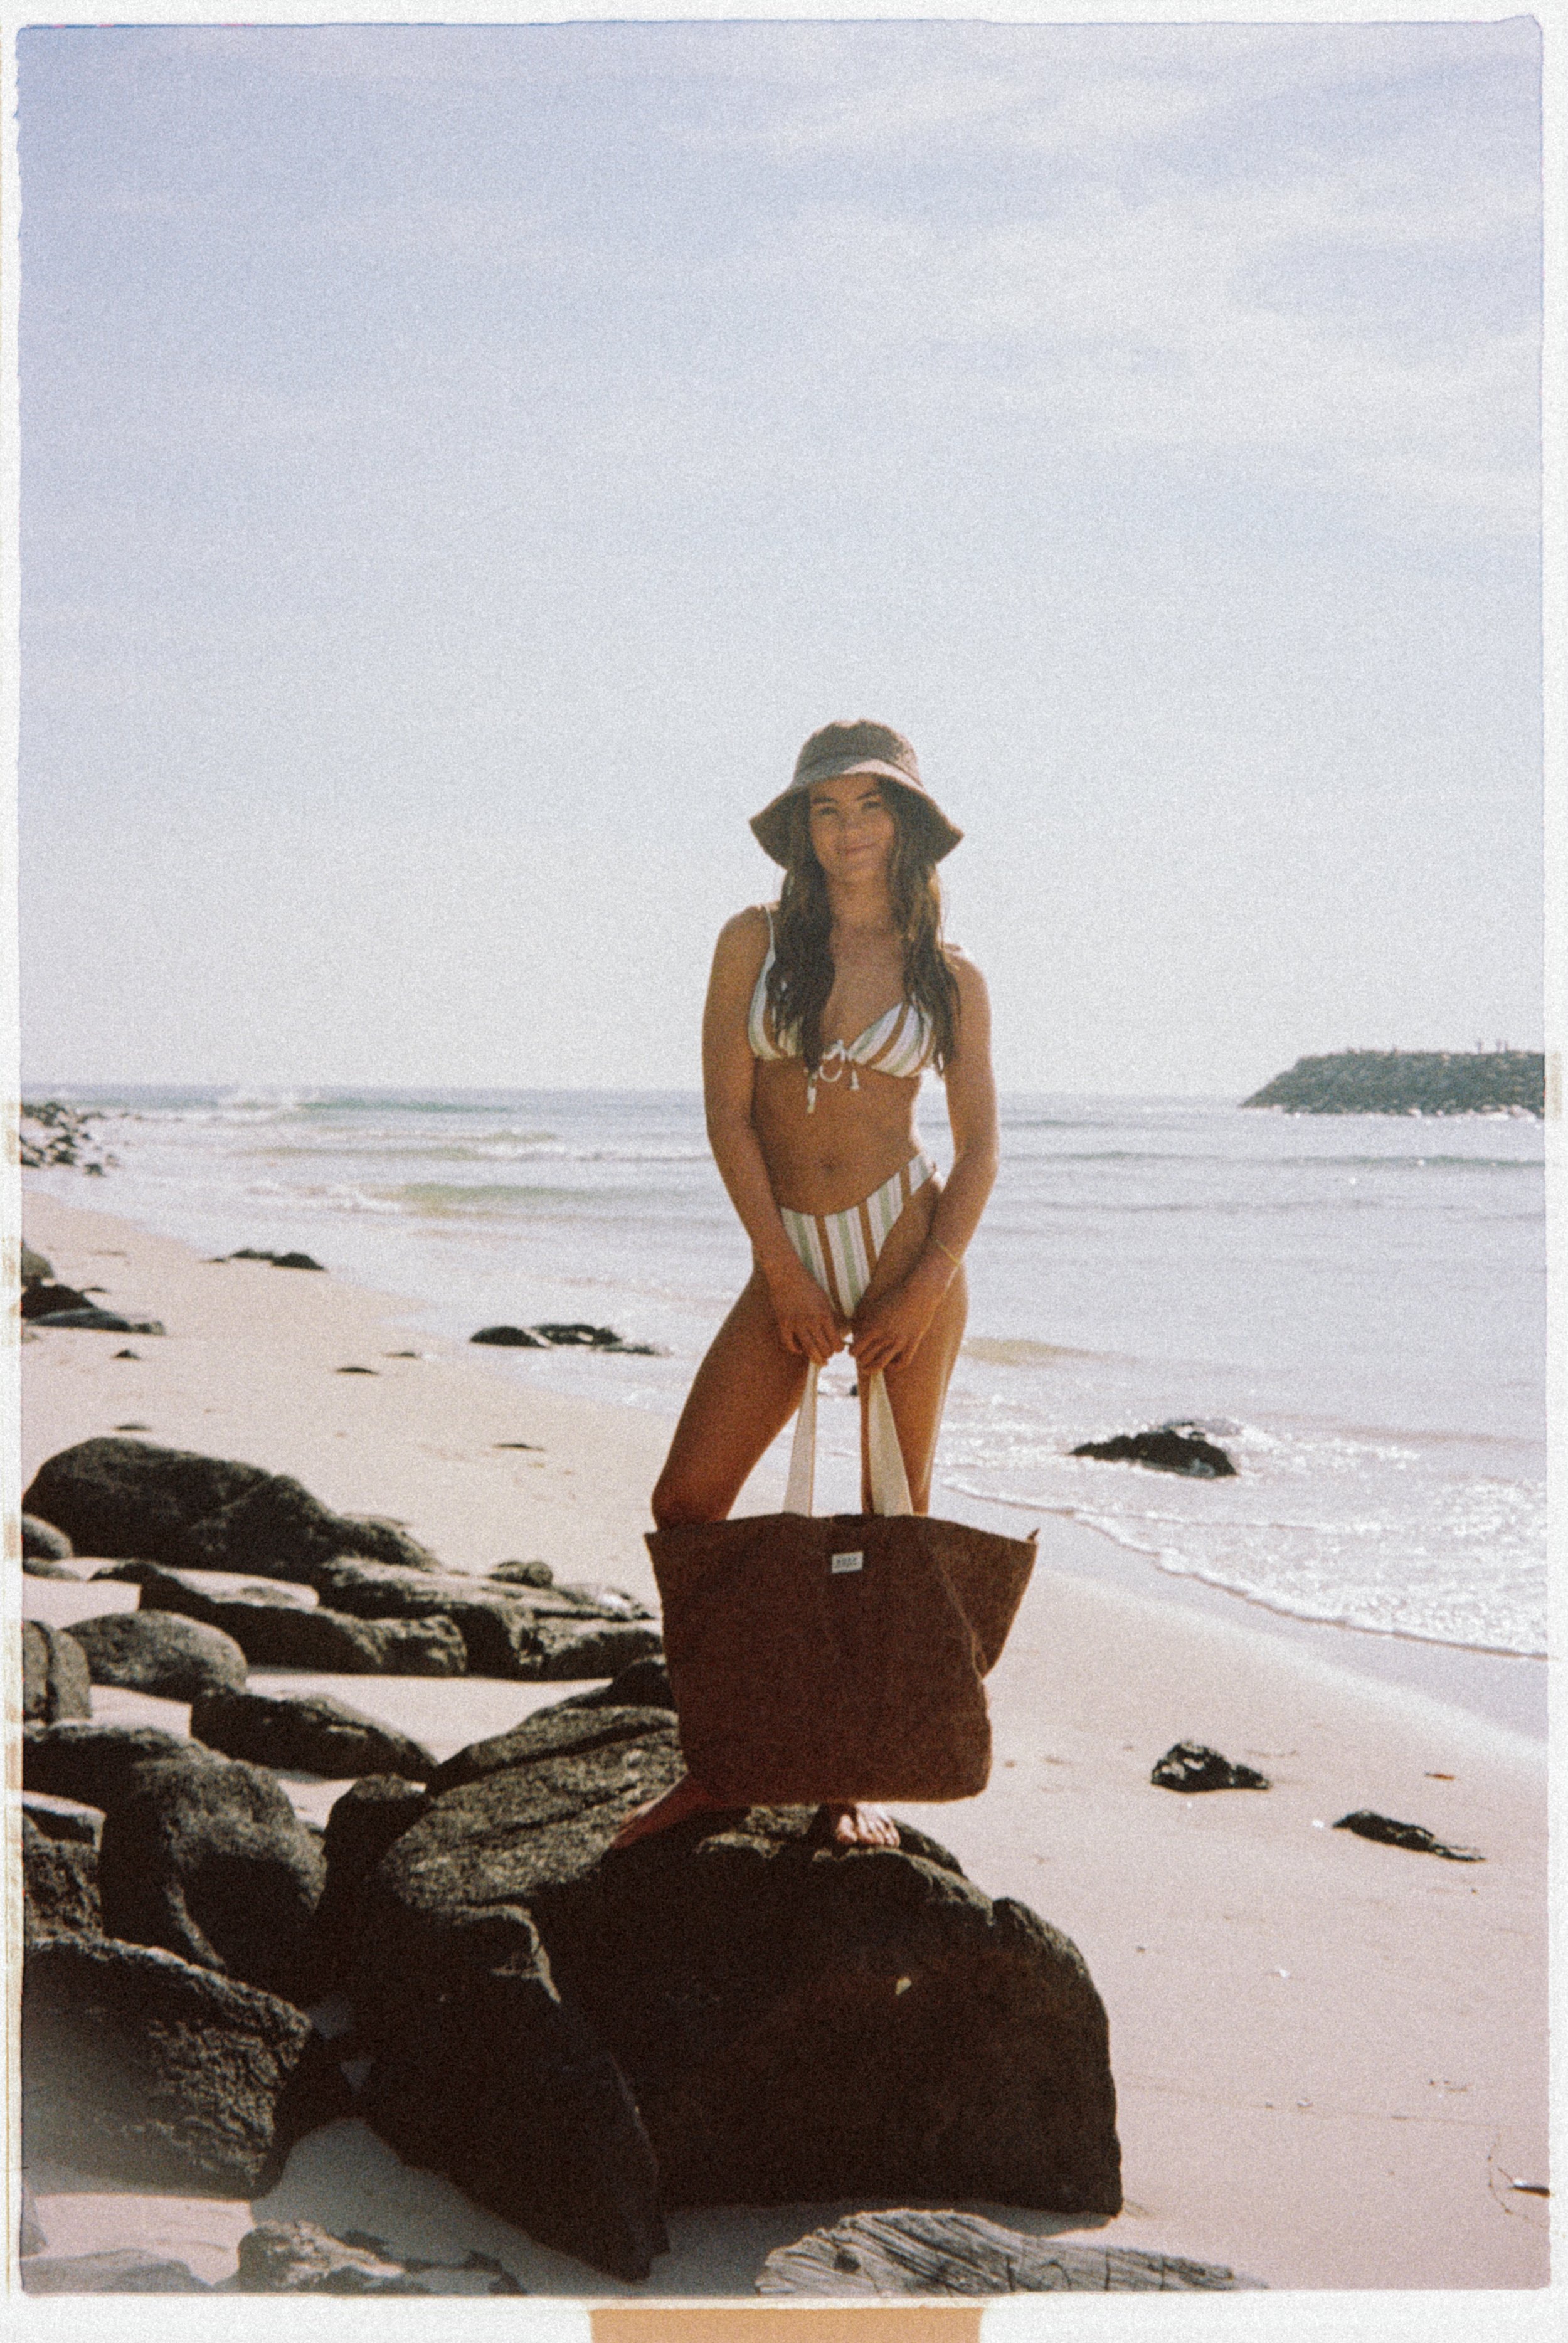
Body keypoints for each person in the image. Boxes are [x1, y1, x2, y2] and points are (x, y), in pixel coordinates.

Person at [613, 719, 999, 1851]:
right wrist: (779, 1270)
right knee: (687, 1503)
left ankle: (846, 1782)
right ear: (799, 828)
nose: (849, 830)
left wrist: (926, 1284)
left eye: (872, 806)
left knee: (892, 1528)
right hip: (788, 1251)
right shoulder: (756, 942)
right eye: (825, 809)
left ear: (910, 824)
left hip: (904, 1249)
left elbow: (978, 1151)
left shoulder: (952, 976)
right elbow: (728, 1114)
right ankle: (723, 1764)